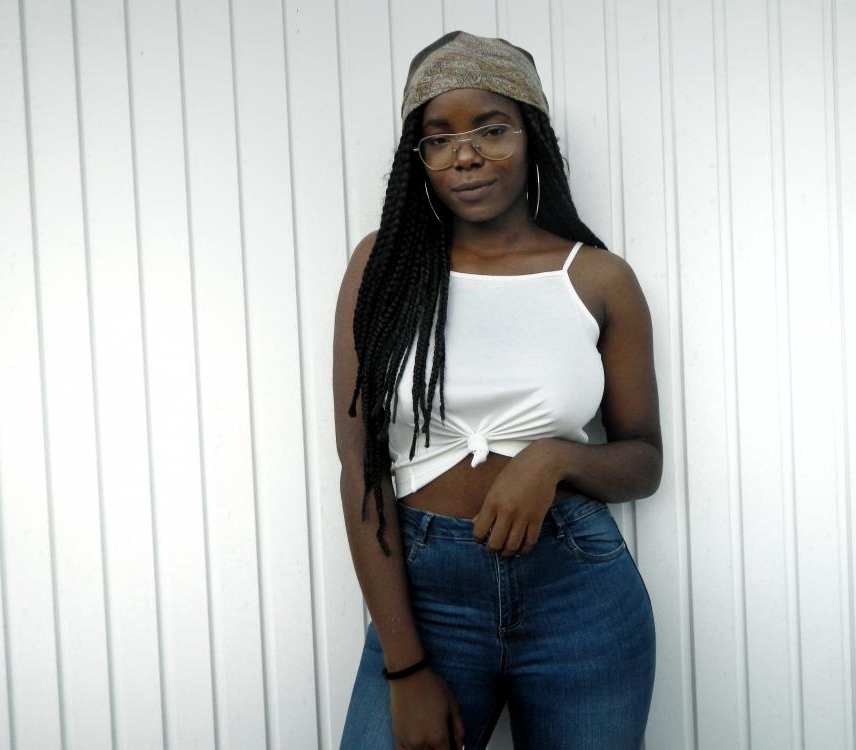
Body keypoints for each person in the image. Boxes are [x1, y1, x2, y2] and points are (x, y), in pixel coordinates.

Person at [333, 31, 661, 750]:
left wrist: (553, 459)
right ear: (418, 157)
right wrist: (404, 664)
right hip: (427, 598)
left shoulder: (598, 278)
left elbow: (643, 461)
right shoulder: (381, 267)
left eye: (492, 128)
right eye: (439, 138)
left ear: (531, 134)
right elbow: (360, 467)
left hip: (578, 591)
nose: (466, 154)